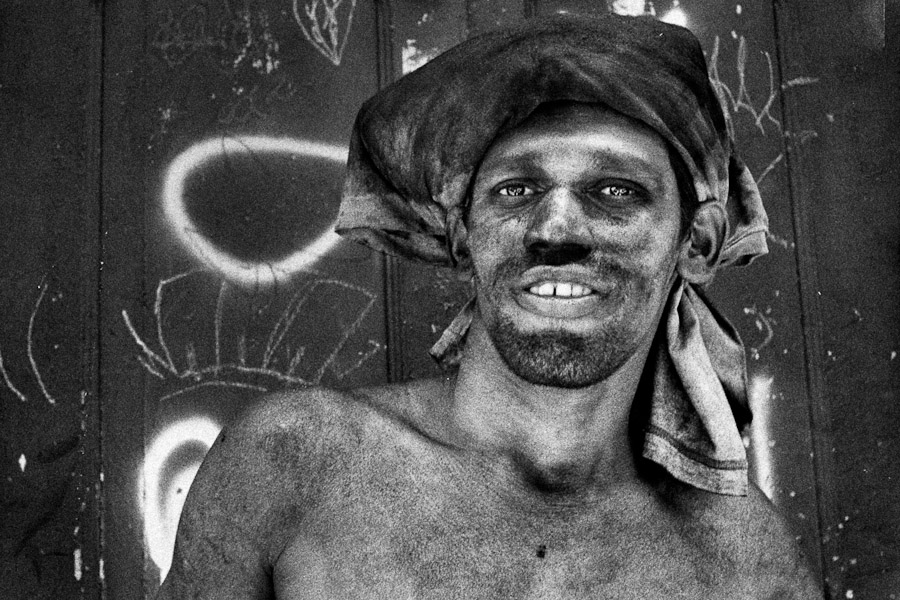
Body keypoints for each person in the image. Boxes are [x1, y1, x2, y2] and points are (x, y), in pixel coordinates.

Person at [156, 13, 822, 599]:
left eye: (615, 190)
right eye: (516, 188)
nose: (555, 228)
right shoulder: (297, 465)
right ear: (462, 235)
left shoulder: (743, 561)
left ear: (696, 242)